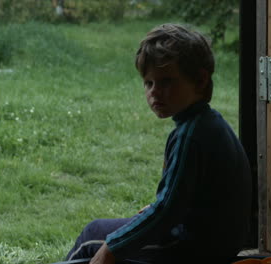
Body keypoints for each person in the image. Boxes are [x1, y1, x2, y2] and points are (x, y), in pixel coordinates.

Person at [65, 23, 252, 264]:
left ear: (201, 80)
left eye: (166, 82)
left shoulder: (191, 135)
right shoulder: (207, 122)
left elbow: (165, 212)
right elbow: (179, 200)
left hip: (193, 250)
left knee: (92, 237)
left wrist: (112, 248)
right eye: (148, 83)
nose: (154, 92)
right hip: (215, 244)